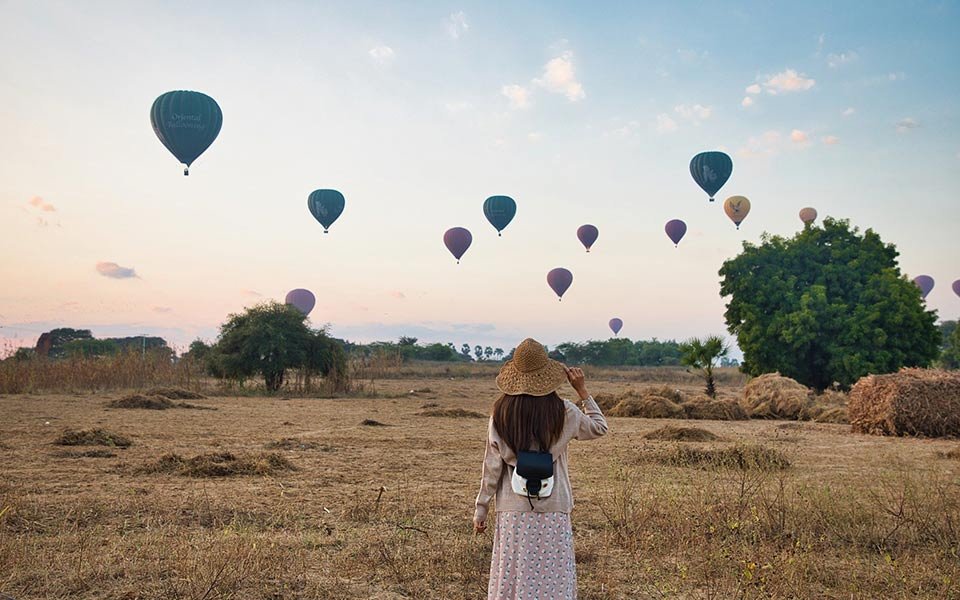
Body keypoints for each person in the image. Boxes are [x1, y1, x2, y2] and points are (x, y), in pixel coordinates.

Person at [473, 338, 608, 599]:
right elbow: (599, 427)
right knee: (552, 579)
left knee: (514, 577)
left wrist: (481, 508)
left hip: (512, 512)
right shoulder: (565, 412)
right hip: (554, 509)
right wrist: (582, 391)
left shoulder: (500, 414)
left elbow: (491, 466)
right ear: (548, 377)